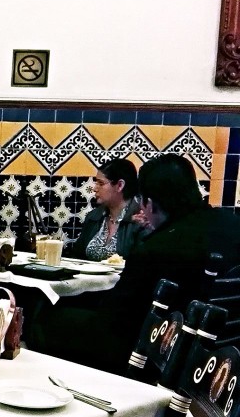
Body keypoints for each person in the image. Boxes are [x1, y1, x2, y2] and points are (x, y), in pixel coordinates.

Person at [30, 154, 240, 373]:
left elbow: (113, 321)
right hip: (220, 360)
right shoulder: (233, 226)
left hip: (156, 356)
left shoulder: (157, 248)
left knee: (46, 317)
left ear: (150, 203)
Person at [65, 158, 146, 261]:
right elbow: (77, 257)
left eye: (101, 183)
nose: (95, 188)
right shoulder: (94, 217)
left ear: (120, 185)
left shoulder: (140, 220)